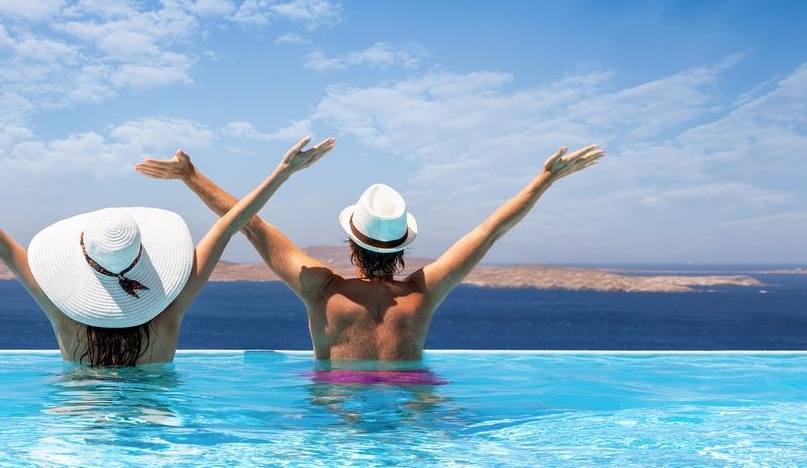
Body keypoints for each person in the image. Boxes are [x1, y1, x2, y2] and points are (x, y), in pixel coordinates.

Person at [0, 136, 334, 367]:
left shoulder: (62, 314)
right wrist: (282, 173)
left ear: (80, 262)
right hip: (158, 433)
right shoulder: (170, 309)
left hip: (76, 433)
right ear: (144, 255)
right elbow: (232, 223)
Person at [136, 144, 604, 364]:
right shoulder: (422, 292)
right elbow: (490, 230)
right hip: (416, 403)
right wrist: (545, 179)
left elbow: (250, 225)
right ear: (404, 247)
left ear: (351, 240)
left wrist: (190, 175)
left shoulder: (320, 289)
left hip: (340, 408)